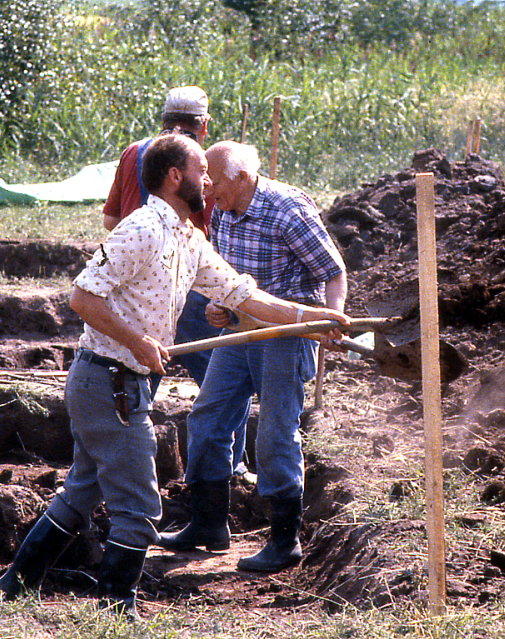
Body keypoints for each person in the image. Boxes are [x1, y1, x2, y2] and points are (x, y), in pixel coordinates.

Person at [0, 134, 347, 617]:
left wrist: (312, 319)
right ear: (176, 177)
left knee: (82, 490)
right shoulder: (141, 230)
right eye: (203, 171)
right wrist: (137, 341)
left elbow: (246, 297)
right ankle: (116, 608)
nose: (210, 183)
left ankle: (14, 585)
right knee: (139, 505)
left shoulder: (187, 236)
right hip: (106, 381)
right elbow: (82, 298)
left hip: (122, 384)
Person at [157, 141, 348, 574]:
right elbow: (227, 275)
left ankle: (285, 541)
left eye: (215, 182)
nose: (207, 191)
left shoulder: (287, 210)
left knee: (275, 433)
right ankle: (208, 524)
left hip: (287, 333)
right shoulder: (221, 208)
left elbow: (332, 271)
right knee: (207, 415)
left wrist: (334, 319)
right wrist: (219, 309)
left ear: (242, 177)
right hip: (239, 329)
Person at [103, 85, 251, 477]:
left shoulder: (134, 153)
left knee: (140, 375)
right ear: (203, 125)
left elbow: (111, 221)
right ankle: (226, 469)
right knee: (222, 385)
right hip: (192, 287)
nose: (205, 181)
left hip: (137, 292)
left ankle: (125, 458)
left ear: (164, 119)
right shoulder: (202, 163)